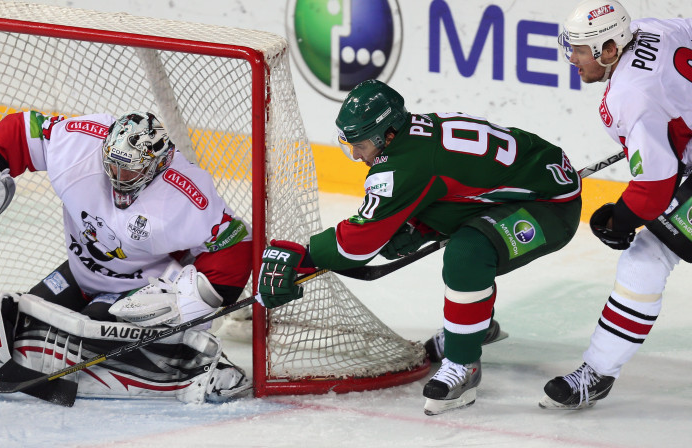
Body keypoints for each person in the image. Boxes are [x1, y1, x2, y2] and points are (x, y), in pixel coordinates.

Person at [255, 79, 583, 415]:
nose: (354, 154)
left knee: (468, 254)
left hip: (550, 206)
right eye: (348, 143)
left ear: (388, 135)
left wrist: (303, 256)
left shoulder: (405, 166)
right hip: (524, 183)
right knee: (408, 232)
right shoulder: (415, 134)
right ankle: (475, 327)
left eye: (362, 144)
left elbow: (356, 245)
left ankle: (463, 364)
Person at [0, 111, 253, 404]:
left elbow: (237, 243)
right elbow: (22, 131)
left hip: (138, 289)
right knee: (21, 330)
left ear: (158, 165)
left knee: (89, 339)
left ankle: (202, 358)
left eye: (129, 171)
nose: (117, 177)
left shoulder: (183, 195)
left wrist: (194, 301)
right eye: (112, 166)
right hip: (79, 273)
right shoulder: (79, 145)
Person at [540, 1, 692, 410]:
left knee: (644, 259)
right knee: (647, 259)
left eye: (580, 50)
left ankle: (599, 372)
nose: (572, 58)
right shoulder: (649, 27)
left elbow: (655, 187)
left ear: (610, 50)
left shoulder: (629, 95)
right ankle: (599, 369)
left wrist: (619, 220)